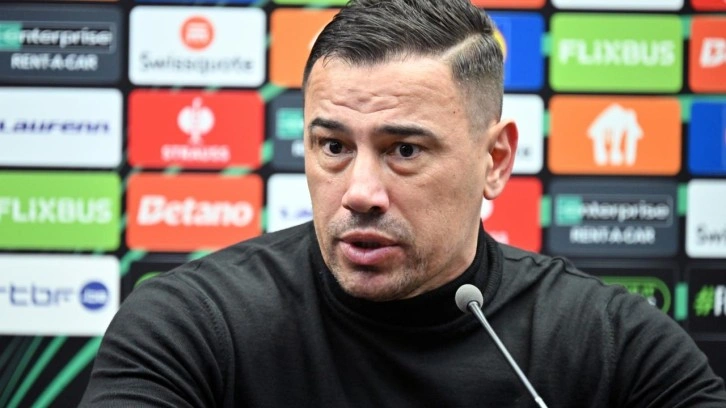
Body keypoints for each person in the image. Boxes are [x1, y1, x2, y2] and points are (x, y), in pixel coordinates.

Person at [80, 0, 726, 406]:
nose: (359, 192)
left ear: (496, 160)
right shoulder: (193, 324)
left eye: (405, 150)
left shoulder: (611, 344)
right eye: (334, 146)